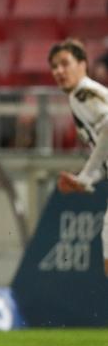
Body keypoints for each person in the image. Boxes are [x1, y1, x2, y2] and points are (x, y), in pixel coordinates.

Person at [51, 39, 108, 276]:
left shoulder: (83, 94)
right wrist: (87, 179)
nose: (59, 71)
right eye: (54, 67)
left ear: (83, 64)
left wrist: (85, 176)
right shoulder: (80, 98)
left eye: (65, 63)